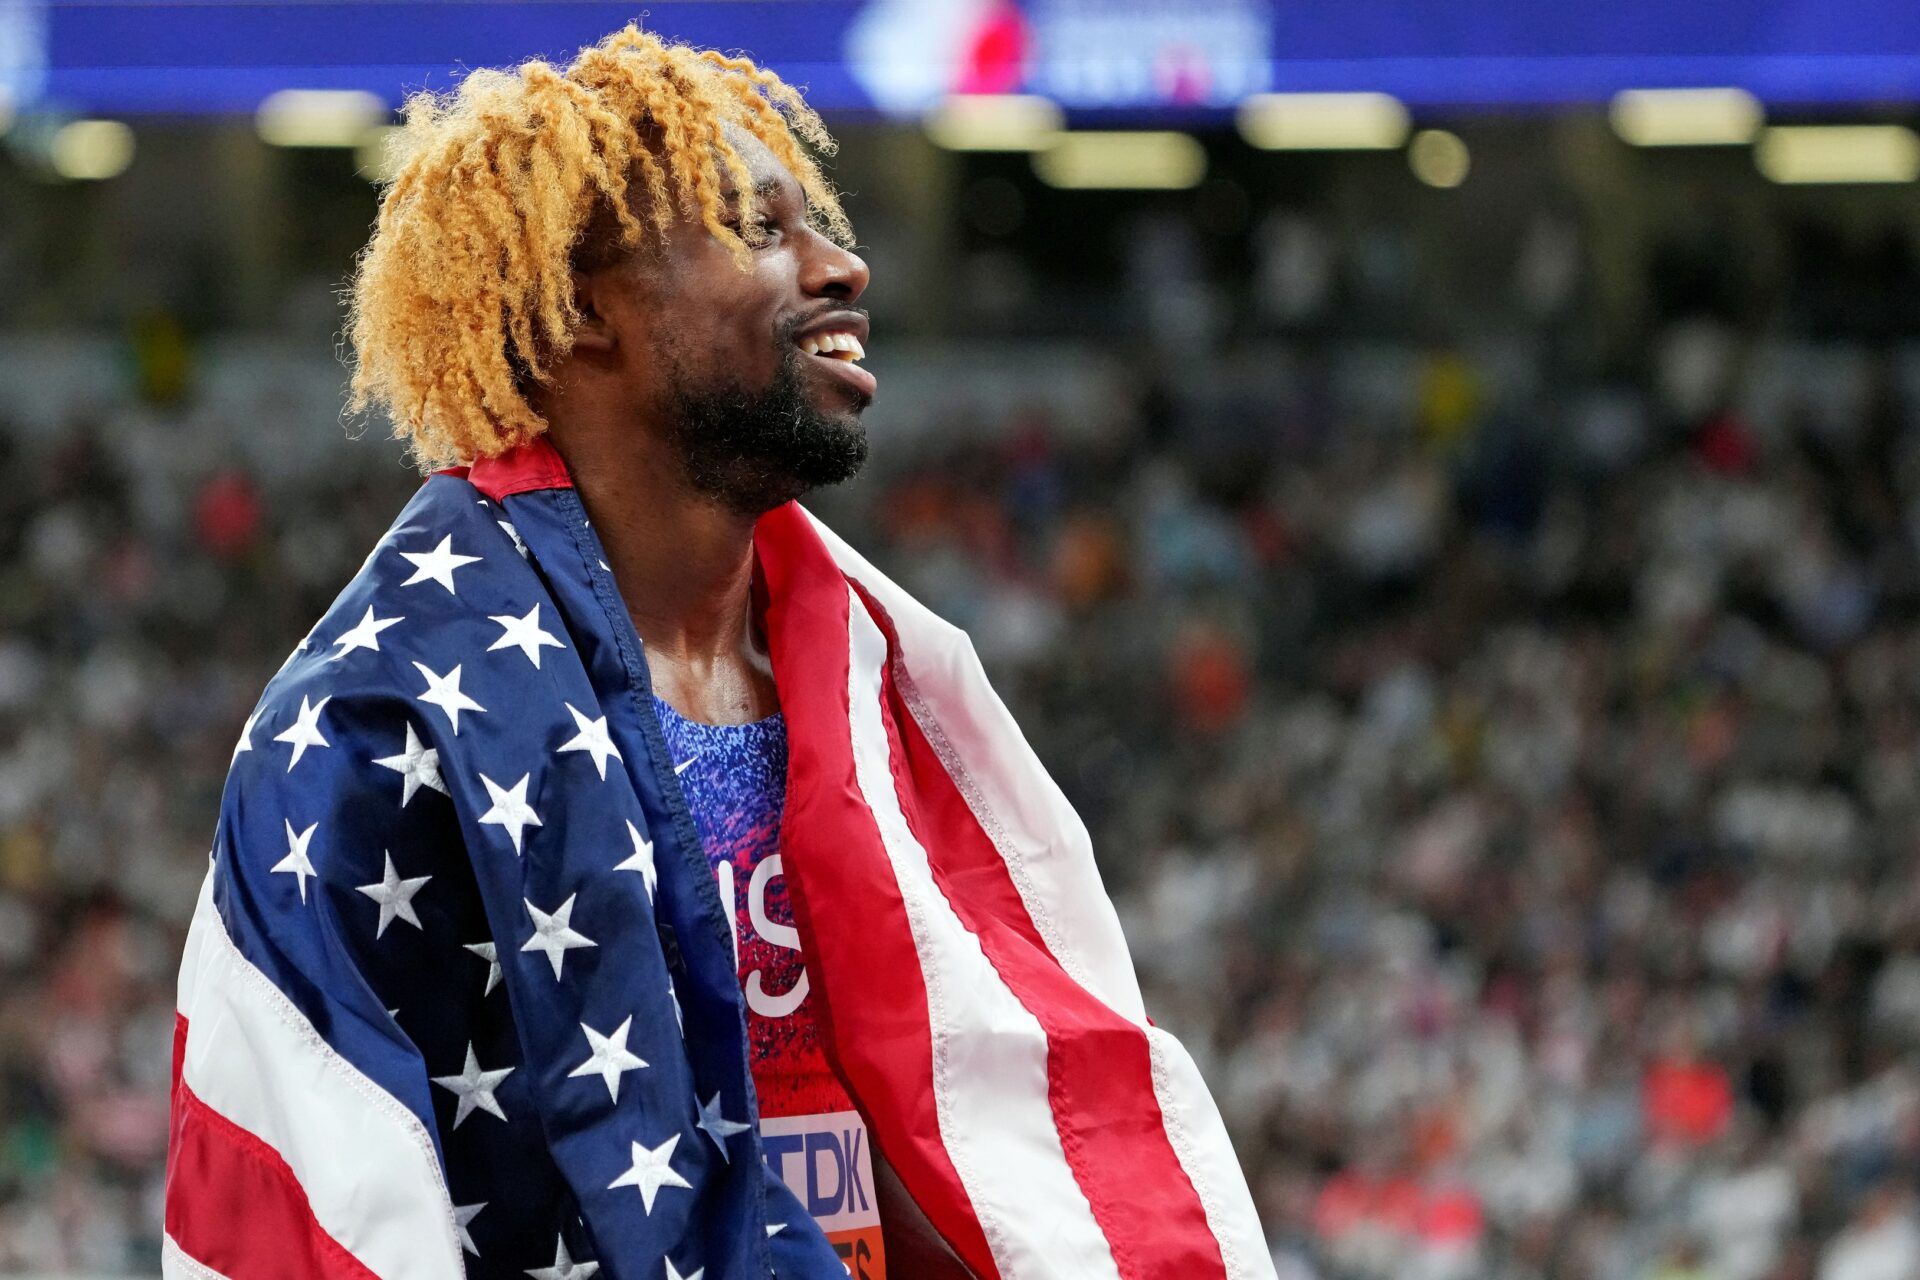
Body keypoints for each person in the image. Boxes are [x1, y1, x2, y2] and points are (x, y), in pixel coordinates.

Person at [163, 24, 1273, 1280]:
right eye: (760, 228)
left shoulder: (881, 680)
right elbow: (324, 1199)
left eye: (817, 225)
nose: (841, 265)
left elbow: (935, 1151)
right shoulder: (379, 722)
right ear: (586, 307)